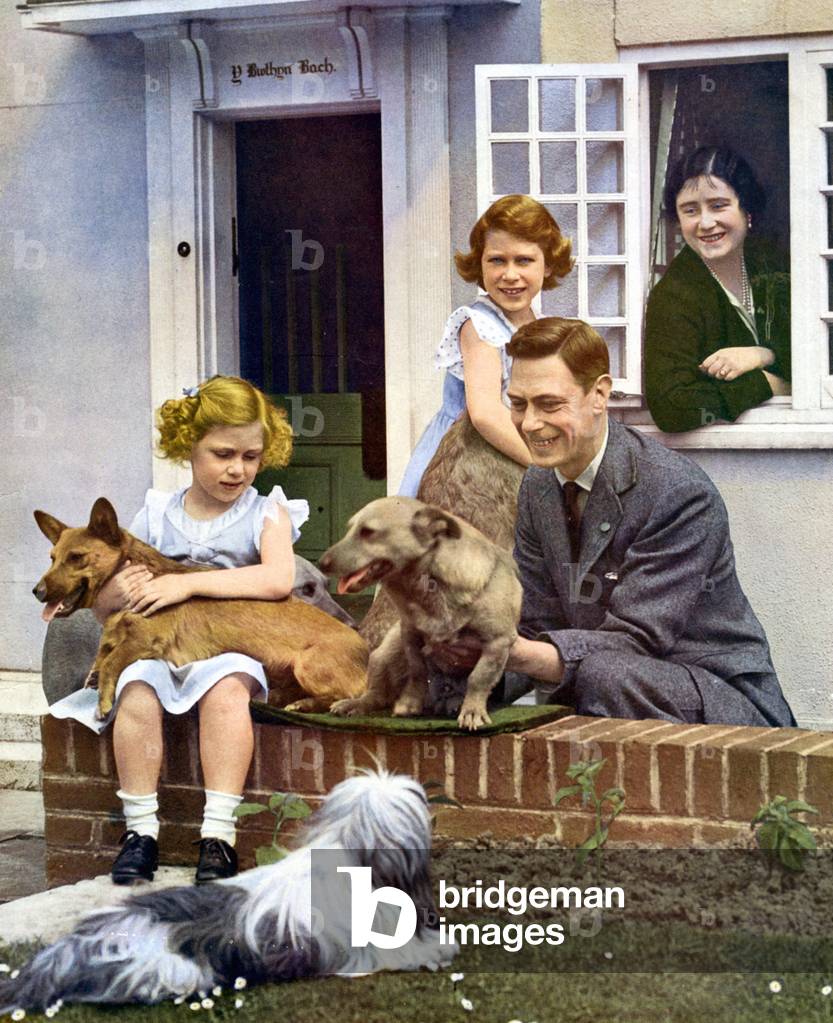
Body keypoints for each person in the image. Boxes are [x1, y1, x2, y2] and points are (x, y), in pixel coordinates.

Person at [435, 317, 796, 727]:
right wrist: (470, 654)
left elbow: (636, 641)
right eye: (518, 404)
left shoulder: (677, 492)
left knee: (603, 675)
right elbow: (536, 623)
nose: (530, 423)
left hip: (725, 702)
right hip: (615, 687)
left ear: (600, 395)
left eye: (550, 404)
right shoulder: (538, 484)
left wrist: (511, 652)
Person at [49, 376, 309, 884]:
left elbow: (278, 579)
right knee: (137, 690)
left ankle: (218, 836)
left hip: (231, 646)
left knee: (229, 691)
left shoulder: (266, 511)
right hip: (160, 647)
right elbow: (112, 594)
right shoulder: (159, 512)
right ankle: (140, 831)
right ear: (187, 447)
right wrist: (118, 592)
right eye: (222, 453)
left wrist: (187, 586)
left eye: (251, 456)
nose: (238, 469)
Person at [398, 194, 573, 497]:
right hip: (467, 461)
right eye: (496, 260)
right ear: (480, 264)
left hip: (512, 450)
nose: (510, 274)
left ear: (547, 265)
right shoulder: (479, 326)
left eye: (524, 260)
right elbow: (485, 413)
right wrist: (543, 467)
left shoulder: (540, 326)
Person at [645, 145, 791, 433]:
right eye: (690, 210)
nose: (706, 223)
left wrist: (762, 356)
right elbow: (671, 406)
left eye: (718, 205)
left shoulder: (775, 264)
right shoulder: (675, 294)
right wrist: (770, 383)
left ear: (746, 209)